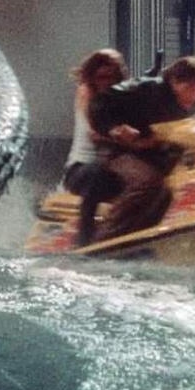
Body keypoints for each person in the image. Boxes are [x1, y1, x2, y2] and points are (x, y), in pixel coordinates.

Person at [88, 55, 195, 241]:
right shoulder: (147, 89)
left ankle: (145, 236)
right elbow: (99, 102)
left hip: (148, 154)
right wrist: (114, 128)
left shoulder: (188, 106)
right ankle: (106, 237)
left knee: (172, 186)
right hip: (117, 150)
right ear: (174, 81)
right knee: (147, 180)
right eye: (190, 88)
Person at [62, 49, 129, 246]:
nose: (105, 82)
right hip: (80, 170)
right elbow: (93, 131)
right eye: (100, 77)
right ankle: (84, 240)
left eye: (111, 77)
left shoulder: (120, 96)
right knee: (98, 172)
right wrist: (122, 136)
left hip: (112, 167)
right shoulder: (86, 92)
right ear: (92, 77)